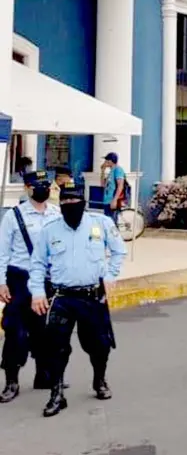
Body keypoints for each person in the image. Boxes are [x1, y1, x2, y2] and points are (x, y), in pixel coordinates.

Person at [29, 180, 127, 417]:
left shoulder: (100, 223)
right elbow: (38, 264)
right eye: (64, 201)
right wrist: (38, 292)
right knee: (56, 347)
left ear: (82, 202)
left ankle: (99, 381)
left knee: (99, 345)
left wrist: (111, 275)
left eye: (73, 200)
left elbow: (119, 250)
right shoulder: (50, 230)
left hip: (92, 297)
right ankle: (56, 393)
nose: (69, 204)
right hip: (62, 297)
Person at [0, 171, 61, 402]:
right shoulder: (13, 216)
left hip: (46, 279)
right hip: (19, 278)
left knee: (44, 330)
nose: (44, 189)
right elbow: (2, 251)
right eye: (39, 185)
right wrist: (1, 282)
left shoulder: (56, 214)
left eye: (47, 184)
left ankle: (44, 376)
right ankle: (11, 381)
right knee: (15, 330)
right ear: (28, 188)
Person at [101, 152, 127, 224]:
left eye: (106, 160)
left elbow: (120, 185)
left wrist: (114, 200)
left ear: (110, 161)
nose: (105, 162)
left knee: (112, 224)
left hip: (112, 200)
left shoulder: (118, 170)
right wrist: (102, 171)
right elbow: (103, 184)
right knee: (107, 223)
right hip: (107, 200)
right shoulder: (111, 172)